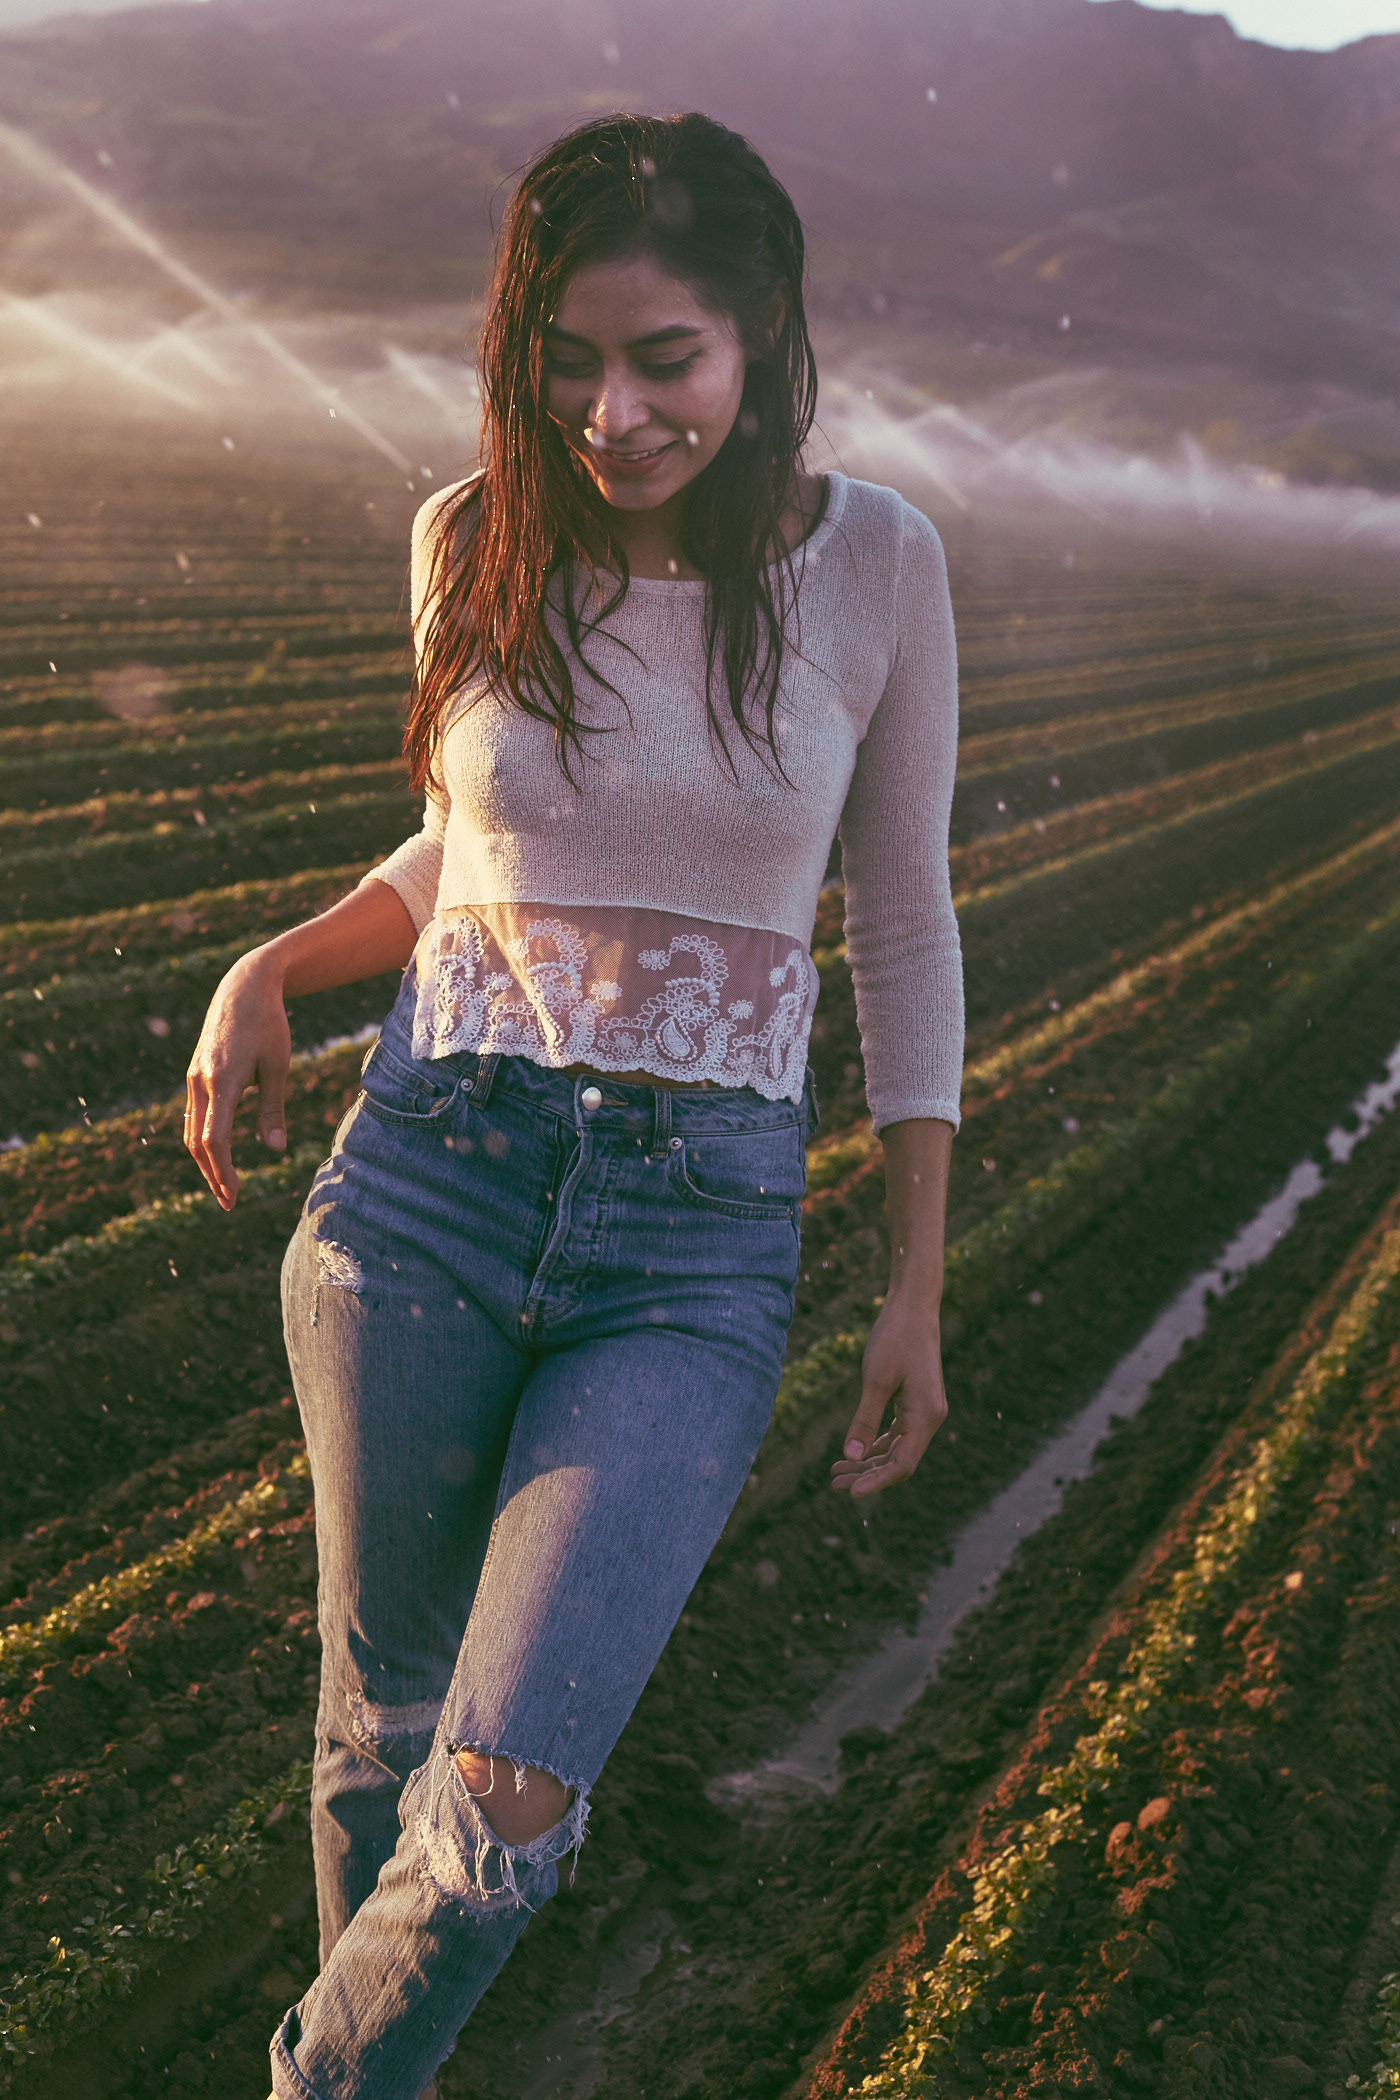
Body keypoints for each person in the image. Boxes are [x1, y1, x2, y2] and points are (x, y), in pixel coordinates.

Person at [183, 109, 963, 2100]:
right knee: (382, 1735)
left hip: (690, 1236)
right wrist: (271, 963)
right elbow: (475, 854)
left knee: (503, 1787)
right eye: (568, 361)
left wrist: (912, 1281)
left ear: (759, 336)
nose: (611, 412)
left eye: (664, 361)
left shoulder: (873, 562)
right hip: (429, 1178)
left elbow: (898, 909)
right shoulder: (470, 537)